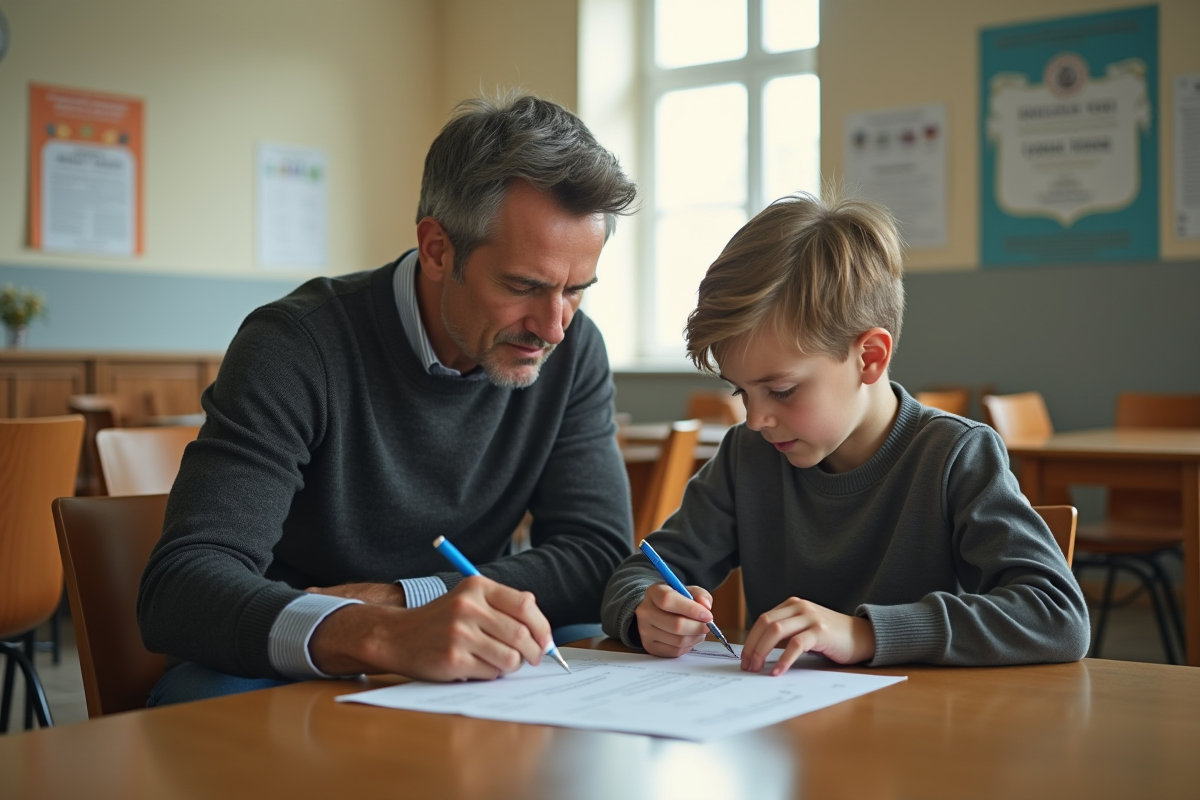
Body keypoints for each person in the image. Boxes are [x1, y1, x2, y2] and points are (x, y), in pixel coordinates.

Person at [138, 93, 638, 702]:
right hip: (300, 653)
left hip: (466, 651)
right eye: (522, 286)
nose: (554, 328)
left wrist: (409, 599)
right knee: (194, 699)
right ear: (437, 249)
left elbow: (596, 555)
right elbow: (180, 588)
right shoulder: (295, 345)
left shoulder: (575, 349)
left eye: (576, 290)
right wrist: (377, 633)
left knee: (597, 656)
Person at [600, 191, 1089, 673]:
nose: (755, 419)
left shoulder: (954, 455)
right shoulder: (747, 456)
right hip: (779, 714)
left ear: (869, 358)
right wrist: (646, 610)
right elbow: (643, 571)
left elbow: (1058, 616)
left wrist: (864, 634)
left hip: (925, 718)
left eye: (782, 390)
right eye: (742, 391)